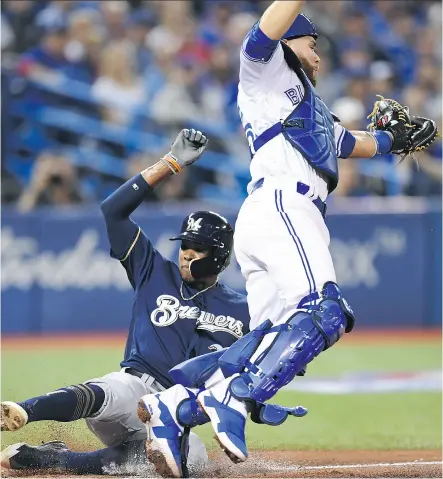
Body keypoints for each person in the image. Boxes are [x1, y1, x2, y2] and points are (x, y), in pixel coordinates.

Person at [135, 2, 438, 477]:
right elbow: (263, 31)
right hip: (283, 204)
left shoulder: (303, 103)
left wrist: (392, 141)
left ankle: (175, 409)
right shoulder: (267, 69)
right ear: (291, 41)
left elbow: (346, 143)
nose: (318, 56)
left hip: (278, 213)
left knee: (264, 342)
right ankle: (230, 397)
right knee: (325, 311)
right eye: (312, 45)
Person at [0, 129, 250, 476]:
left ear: (219, 256)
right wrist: (171, 163)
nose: (185, 252)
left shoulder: (243, 309)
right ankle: (22, 410)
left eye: (197, 247)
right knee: (112, 389)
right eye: (184, 243)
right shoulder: (155, 271)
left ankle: (53, 458)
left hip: (174, 411)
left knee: (190, 459)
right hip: (134, 387)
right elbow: (114, 210)